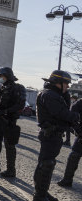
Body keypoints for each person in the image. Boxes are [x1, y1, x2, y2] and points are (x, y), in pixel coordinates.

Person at [32, 70, 80, 201]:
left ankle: (42, 192)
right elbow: (61, 113)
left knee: (46, 164)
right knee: (46, 164)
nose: (68, 86)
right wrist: (76, 116)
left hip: (53, 134)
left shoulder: (53, 94)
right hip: (50, 134)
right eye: (66, 83)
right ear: (58, 83)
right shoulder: (50, 95)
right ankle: (39, 196)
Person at [0, 67, 26, 178]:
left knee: (9, 144)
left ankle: (11, 170)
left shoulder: (18, 88)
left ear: (8, 76)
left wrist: (6, 111)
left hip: (9, 120)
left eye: (2, 76)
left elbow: (20, 104)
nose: (0, 78)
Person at [58, 95, 82, 188]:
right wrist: (79, 131)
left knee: (74, 156)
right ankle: (67, 180)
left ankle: (67, 180)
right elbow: (71, 118)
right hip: (81, 137)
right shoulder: (79, 103)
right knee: (74, 157)